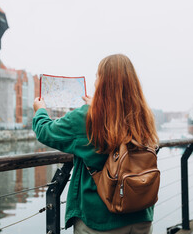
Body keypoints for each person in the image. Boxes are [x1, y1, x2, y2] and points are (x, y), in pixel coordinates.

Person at [32, 54, 158, 234]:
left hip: (100, 219)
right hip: (141, 215)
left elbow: (46, 132)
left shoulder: (87, 116)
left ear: (104, 82)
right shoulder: (143, 114)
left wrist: (40, 110)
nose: (95, 81)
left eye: (97, 76)